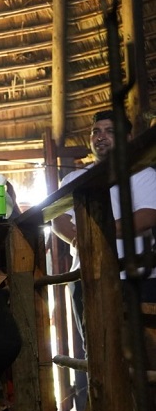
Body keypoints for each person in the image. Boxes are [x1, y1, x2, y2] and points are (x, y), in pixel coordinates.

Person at [51, 110, 156, 344]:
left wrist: (94, 236)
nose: (101, 137)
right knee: (97, 348)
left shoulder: (143, 175)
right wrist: (80, 239)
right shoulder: (72, 179)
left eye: (110, 132)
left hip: (136, 276)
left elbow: (148, 215)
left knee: (143, 350)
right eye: (96, 132)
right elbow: (58, 220)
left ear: (127, 138)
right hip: (87, 276)